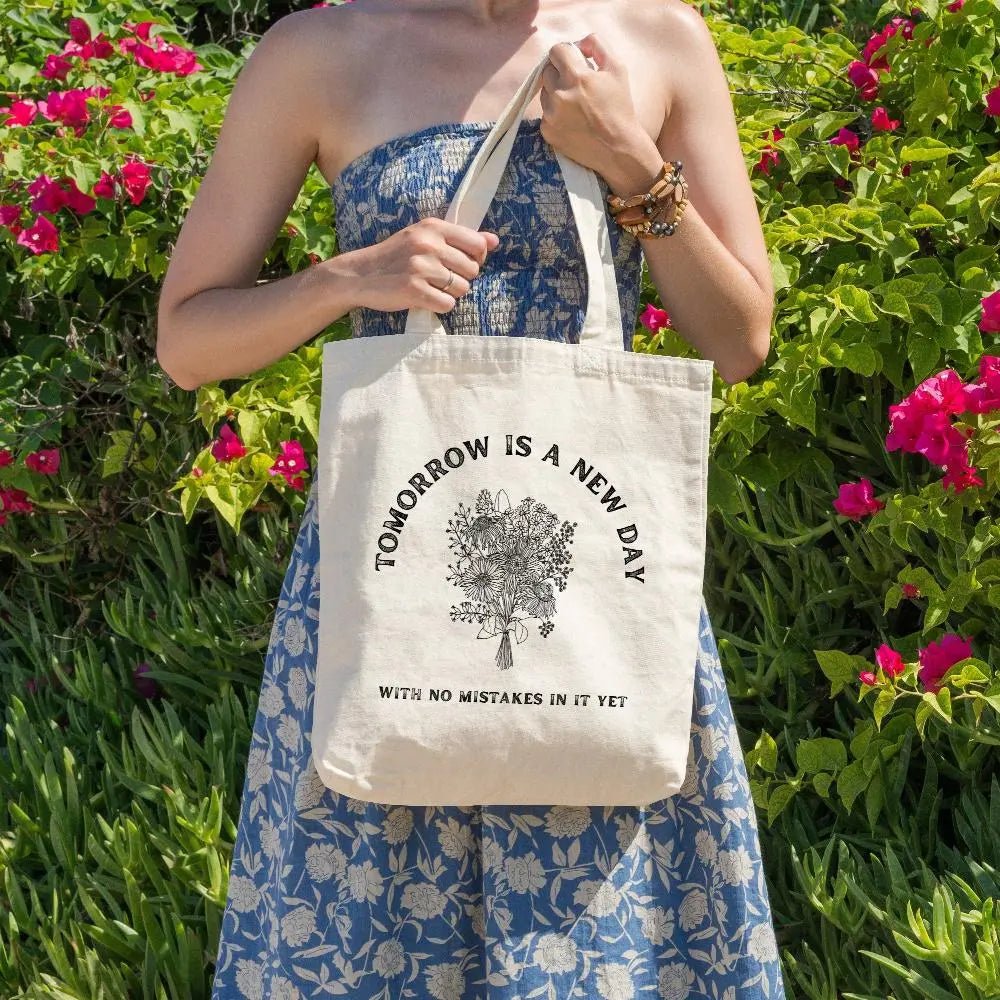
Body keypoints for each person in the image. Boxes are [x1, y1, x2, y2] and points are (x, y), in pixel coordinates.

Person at [156, 1, 785, 996]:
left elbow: (739, 339)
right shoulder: (321, 53)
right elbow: (187, 343)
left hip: (592, 580)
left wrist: (631, 162)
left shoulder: (659, 39)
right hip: (393, 572)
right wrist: (349, 277)